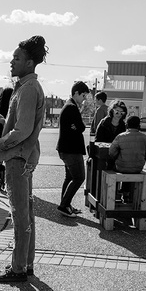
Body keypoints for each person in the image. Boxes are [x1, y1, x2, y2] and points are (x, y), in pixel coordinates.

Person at [0, 36, 47, 283]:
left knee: (20, 213)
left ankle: (19, 268)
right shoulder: (27, 87)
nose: (11, 62)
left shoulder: (28, 89)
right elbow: (23, 125)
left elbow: (22, 131)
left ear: (30, 62)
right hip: (24, 156)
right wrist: (4, 121)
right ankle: (26, 263)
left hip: (17, 157)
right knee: (26, 212)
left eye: (17, 58)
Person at [108, 114, 146, 211]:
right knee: (131, 169)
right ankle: (127, 195)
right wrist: (143, 159)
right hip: (138, 167)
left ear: (126, 125)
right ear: (139, 126)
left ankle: (117, 194)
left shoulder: (120, 137)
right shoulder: (145, 138)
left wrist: (117, 158)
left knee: (114, 168)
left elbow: (111, 152)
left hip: (121, 167)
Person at [56, 81, 90, 217]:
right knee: (79, 177)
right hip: (71, 150)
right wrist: (77, 126)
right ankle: (64, 205)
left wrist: (76, 126)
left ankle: (66, 204)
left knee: (69, 177)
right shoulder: (71, 107)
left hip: (65, 149)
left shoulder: (69, 105)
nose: (84, 99)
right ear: (76, 93)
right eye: (83, 95)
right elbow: (81, 127)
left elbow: (78, 127)